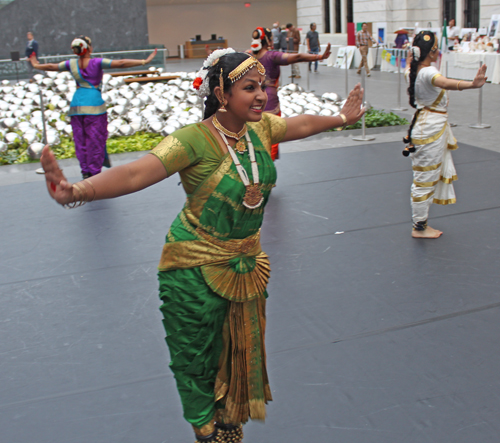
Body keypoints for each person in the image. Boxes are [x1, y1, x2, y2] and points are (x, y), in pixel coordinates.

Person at [40, 49, 365, 443]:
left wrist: (342, 118)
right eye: (250, 88)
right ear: (221, 93)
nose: (261, 95)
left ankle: (230, 420)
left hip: (244, 265)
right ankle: (204, 429)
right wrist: (78, 190)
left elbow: (298, 124)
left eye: (261, 86)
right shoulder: (192, 141)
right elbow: (134, 173)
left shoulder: (259, 131)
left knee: (238, 349)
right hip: (192, 266)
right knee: (195, 356)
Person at [30, 36, 157, 179]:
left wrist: (36, 65)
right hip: (94, 107)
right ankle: (94, 173)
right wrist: (144, 61)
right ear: (89, 48)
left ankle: (85, 171)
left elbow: (51, 67)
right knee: (95, 140)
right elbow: (120, 63)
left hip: (76, 106)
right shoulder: (96, 63)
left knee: (80, 140)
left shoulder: (71, 64)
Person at [403, 31, 487, 239]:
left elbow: (411, 66)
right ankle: (419, 227)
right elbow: (444, 82)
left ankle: (420, 223)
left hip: (426, 124)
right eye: (436, 48)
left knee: (426, 175)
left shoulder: (413, 71)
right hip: (429, 127)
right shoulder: (427, 72)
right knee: (425, 177)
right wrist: (472, 85)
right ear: (432, 52)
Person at [250, 27, 331, 160]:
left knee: (256, 137)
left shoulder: (250, 56)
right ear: (268, 40)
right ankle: (267, 170)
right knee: (271, 135)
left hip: (253, 100)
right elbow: (297, 56)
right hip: (269, 100)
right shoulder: (272, 56)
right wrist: (319, 57)